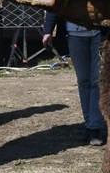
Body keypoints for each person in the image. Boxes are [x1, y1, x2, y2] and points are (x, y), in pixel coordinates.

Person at [42, 12, 105, 146]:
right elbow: (55, 3)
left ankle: (95, 127)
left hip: (99, 33)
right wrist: (48, 30)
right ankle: (88, 125)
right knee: (83, 81)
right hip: (75, 34)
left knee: (97, 80)